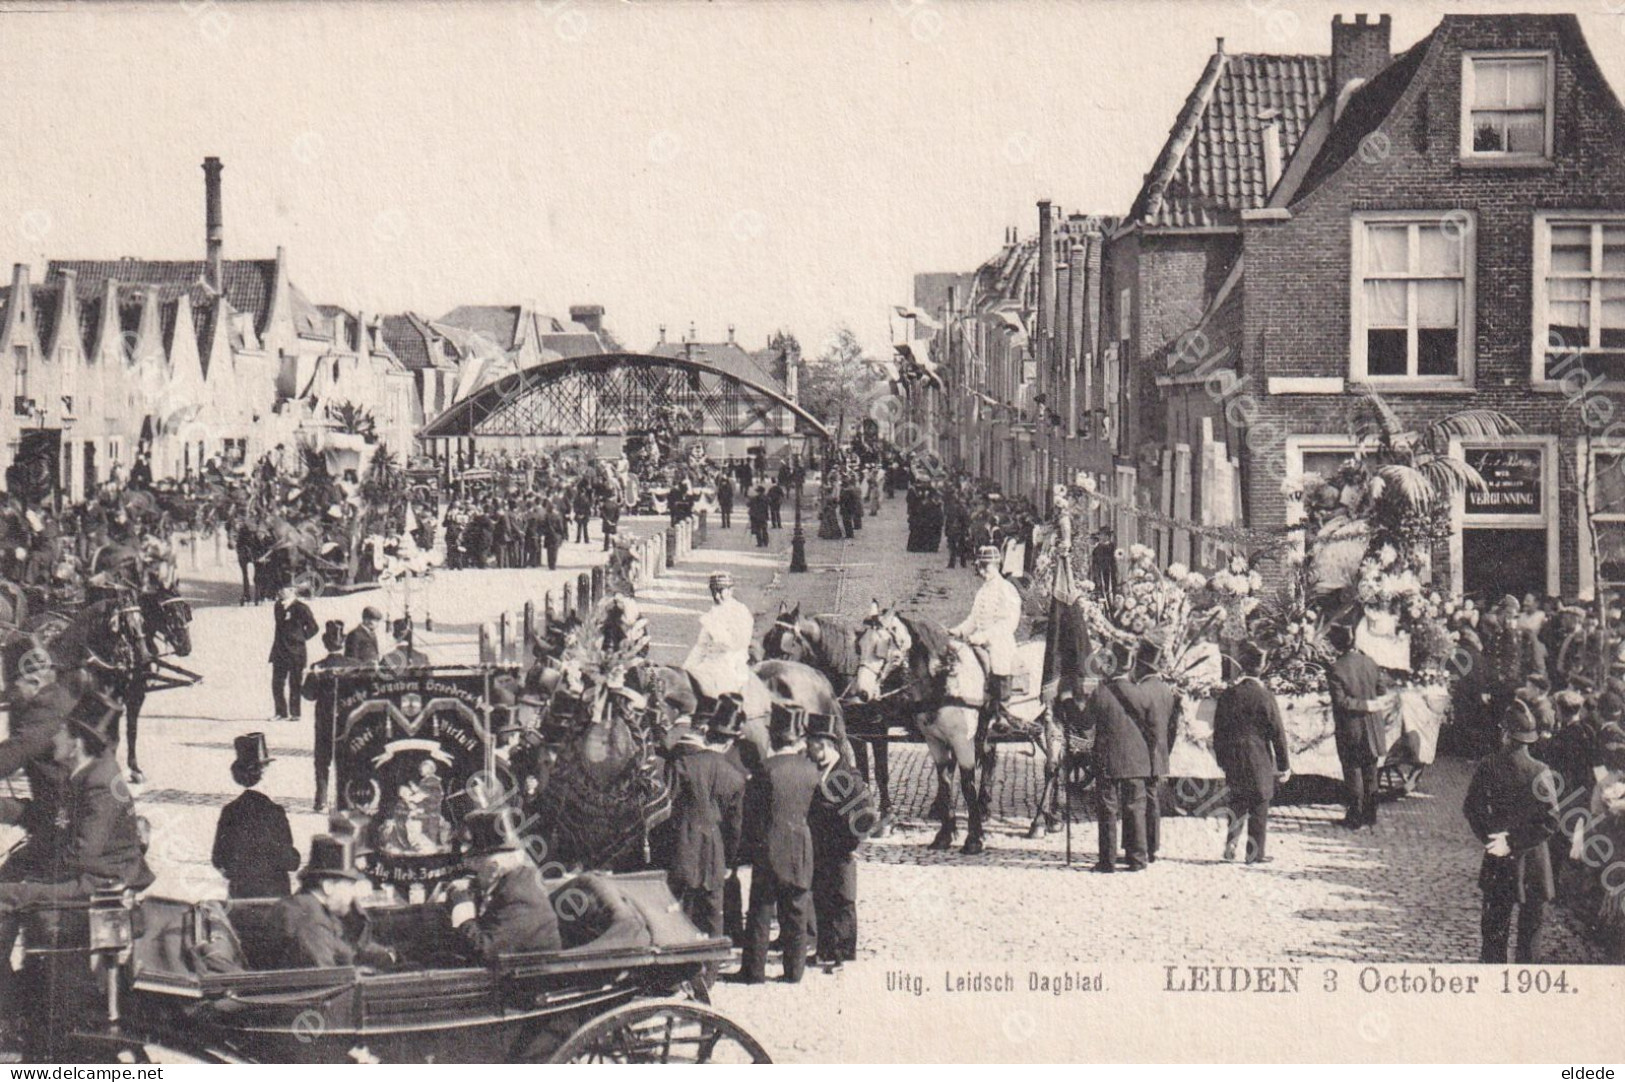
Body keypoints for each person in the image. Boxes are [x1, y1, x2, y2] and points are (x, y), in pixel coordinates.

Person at [0, 691, 155, 959]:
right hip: (95, 871)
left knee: (7, 894)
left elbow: (83, 853)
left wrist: (37, 875)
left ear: (77, 743)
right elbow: (50, 818)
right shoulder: (87, 772)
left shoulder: (98, 785)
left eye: (61, 731)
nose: (54, 738)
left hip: (99, 880)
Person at [1463, 701, 1562, 964]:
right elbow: (1551, 820)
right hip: (1533, 858)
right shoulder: (1540, 771)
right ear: (1529, 739)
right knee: (1531, 933)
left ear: (1505, 734)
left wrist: (1494, 839)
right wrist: (1515, 841)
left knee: (1494, 931)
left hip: (1498, 857)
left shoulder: (1489, 765)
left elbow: (1471, 808)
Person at [740, 703, 819, 984]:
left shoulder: (765, 769)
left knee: (761, 910)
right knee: (797, 909)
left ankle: (754, 971)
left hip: (769, 845)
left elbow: (750, 812)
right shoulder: (811, 770)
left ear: (773, 737)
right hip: (800, 845)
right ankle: (794, 971)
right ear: (798, 740)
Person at [662, 695, 747, 941]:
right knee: (712, 910)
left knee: (679, 907)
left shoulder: (683, 765)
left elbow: (665, 806)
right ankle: (709, 968)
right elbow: (734, 827)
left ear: (707, 733)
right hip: (714, 850)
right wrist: (730, 858)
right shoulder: (735, 777)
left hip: (682, 844)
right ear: (730, 741)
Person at [267, 835, 397, 970]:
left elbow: (347, 948)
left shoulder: (314, 907)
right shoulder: (310, 922)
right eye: (350, 886)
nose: (354, 894)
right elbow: (327, 980)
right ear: (328, 886)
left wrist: (388, 955)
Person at [1212, 643, 1291, 863]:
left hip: (1234, 757)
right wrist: (1284, 765)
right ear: (1263, 668)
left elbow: (1218, 730)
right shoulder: (1265, 696)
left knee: (1237, 800)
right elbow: (1278, 733)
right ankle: (1254, 853)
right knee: (1259, 802)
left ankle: (1231, 842)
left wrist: (1222, 759)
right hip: (1259, 758)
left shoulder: (1229, 695)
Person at [448, 809, 562, 962]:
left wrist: (462, 911)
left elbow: (486, 951)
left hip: (528, 981)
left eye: (475, 872)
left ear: (494, 867)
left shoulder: (520, 896)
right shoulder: (514, 878)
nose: (473, 879)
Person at [807, 711, 873, 968]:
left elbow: (865, 815)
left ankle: (842, 952)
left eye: (810, 746)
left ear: (823, 746)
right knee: (823, 898)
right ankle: (826, 950)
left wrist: (849, 846)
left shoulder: (843, 775)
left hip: (839, 851)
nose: (808, 751)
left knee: (842, 900)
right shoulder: (824, 769)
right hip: (823, 850)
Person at [1079, 642, 1151, 872]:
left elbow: (1084, 723)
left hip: (1107, 757)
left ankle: (1107, 861)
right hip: (1137, 759)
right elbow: (1153, 726)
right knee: (1135, 809)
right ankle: (1137, 858)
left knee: (1107, 809)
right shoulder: (1142, 691)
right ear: (1131, 666)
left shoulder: (1100, 692)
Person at [211, 732, 300, 898]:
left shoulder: (229, 811)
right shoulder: (275, 812)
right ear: (263, 773)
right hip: (274, 897)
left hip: (240, 896)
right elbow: (289, 860)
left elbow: (218, 859)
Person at [1327, 622, 1392, 830]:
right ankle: (1370, 815)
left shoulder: (1336, 668)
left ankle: (1354, 817)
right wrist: (1371, 703)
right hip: (1372, 727)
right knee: (1371, 771)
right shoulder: (1370, 662)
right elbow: (1382, 691)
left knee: (1353, 771)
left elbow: (1341, 703)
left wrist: (1363, 704)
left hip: (1351, 728)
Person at [950, 545, 1022, 729]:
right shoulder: (982, 591)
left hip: (1000, 640)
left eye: (986, 567)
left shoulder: (1007, 589)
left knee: (999, 661)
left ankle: (1002, 712)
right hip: (979, 640)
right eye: (980, 567)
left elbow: (1008, 624)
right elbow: (973, 619)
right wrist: (958, 631)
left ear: (996, 565)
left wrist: (984, 637)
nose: (983, 571)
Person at [1132, 638, 1181, 864]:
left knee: (1138, 800)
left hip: (1141, 752)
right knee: (1153, 799)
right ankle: (1153, 846)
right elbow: (1172, 725)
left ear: (1142, 665)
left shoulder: (1140, 690)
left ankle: (1139, 847)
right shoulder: (1166, 691)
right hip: (1159, 752)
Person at [303, 620, 358, 811]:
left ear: (325, 643)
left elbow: (308, 695)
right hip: (349, 720)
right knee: (348, 760)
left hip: (324, 720)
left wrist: (313, 676)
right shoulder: (355, 665)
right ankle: (347, 800)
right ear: (343, 643)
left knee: (322, 761)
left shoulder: (318, 666)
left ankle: (321, 800)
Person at [683, 572, 755, 704]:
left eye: (721, 591)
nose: (716, 596)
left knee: (720, 685)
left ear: (730, 591)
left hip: (732, 660)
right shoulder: (712, 613)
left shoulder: (740, 611)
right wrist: (686, 668)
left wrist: (718, 639)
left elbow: (741, 643)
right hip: (710, 661)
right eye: (713, 591)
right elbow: (701, 645)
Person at [269, 583, 318, 722]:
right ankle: (280, 712)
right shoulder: (278, 606)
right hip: (279, 651)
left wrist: (300, 637)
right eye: (279, 589)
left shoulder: (301, 608)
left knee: (295, 683)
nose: (279, 591)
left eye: (282, 589)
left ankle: (295, 713)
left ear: (291, 591)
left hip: (296, 652)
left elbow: (314, 628)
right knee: (277, 683)